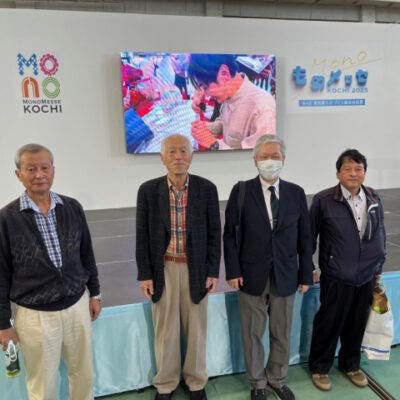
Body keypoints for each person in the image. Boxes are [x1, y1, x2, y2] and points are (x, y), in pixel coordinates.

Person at [0, 143, 101, 400]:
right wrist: (2, 324)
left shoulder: (72, 207)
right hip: (34, 316)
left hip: (77, 306)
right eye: (31, 169)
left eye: (45, 168)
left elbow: (86, 254)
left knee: (84, 376)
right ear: (18, 174)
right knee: (42, 386)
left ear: (53, 170)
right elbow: (1, 274)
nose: (39, 174)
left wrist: (95, 293)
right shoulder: (6, 218)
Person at [224, 135, 313, 400]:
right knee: (252, 332)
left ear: (283, 160)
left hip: (286, 274)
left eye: (275, 156)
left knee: (281, 332)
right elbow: (229, 235)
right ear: (255, 161)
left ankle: (277, 379)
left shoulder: (296, 193)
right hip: (250, 275)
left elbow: (305, 237)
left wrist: (305, 273)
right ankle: (257, 383)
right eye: (264, 156)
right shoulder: (241, 191)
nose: (270, 161)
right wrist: (233, 271)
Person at [136, 134, 221, 400]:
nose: (178, 156)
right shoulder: (148, 191)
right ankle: (165, 383)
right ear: (162, 158)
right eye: (171, 152)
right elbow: (142, 235)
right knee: (166, 330)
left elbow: (214, 233)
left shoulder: (207, 189)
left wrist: (212, 271)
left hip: (196, 268)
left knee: (196, 329)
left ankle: (196, 382)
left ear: (192, 156)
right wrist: (145, 274)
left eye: (184, 151)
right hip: (164, 268)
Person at [308, 149, 386, 391]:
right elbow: (309, 237)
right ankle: (320, 368)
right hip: (336, 274)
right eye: (348, 169)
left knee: (357, 323)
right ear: (338, 173)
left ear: (364, 173)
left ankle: (351, 365)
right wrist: (308, 266)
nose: (353, 174)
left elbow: (380, 233)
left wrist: (378, 265)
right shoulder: (323, 200)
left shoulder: (373, 197)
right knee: (329, 323)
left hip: (366, 274)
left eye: (358, 169)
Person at [188, 54, 276, 150]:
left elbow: (259, 157)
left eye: (206, 87)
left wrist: (213, 144)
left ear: (224, 73)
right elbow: (225, 123)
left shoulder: (262, 108)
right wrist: (207, 128)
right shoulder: (229, 94)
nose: (207, 94)